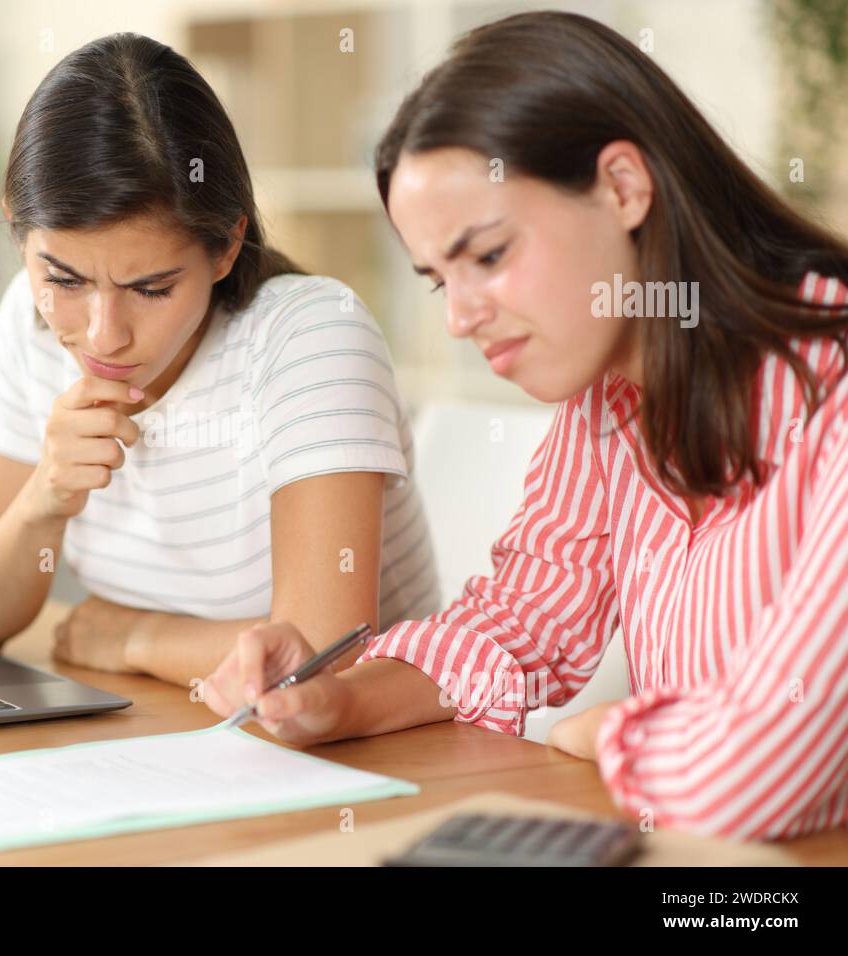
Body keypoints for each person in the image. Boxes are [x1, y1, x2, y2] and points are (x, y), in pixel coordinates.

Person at [202, 11, 848, 840]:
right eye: (440, 280)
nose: (461, 319)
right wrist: (336, 699)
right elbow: (521, 624)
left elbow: (754, 775)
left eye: (491, 256)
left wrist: (599, 730)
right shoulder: (608, 403)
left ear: (623, 187)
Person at [0, 33, 440, 687]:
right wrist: (44, 498)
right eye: (64, 280)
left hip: (372, 763)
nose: (103, 334)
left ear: (227, 246)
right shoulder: (28, 322)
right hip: (168, 729)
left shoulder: (311, 337)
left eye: (150, 289)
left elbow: (323, 657)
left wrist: (138, 637)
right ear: (17, 230)